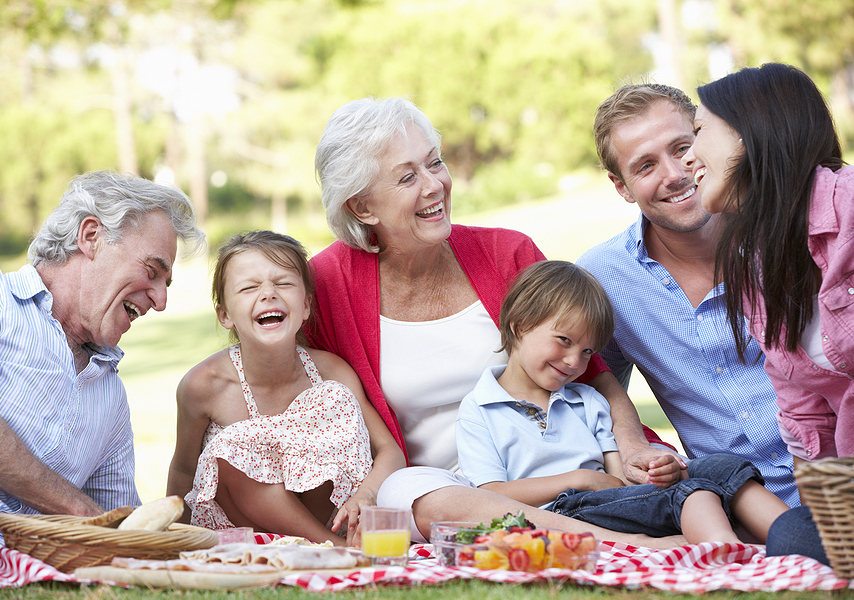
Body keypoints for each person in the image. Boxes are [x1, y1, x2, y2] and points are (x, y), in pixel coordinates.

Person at [304, 96, 682, 548]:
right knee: (418, 494)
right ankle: (625, 544)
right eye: (408, 177)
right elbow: (293, 388)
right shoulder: (326, 285)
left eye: (434, 163)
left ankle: (610, 531)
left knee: (694, 477)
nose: (435, 185)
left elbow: (594, 374)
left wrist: (632, 445)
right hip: (438, 487)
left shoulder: (507, 254)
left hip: (548, 469)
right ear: (362, 207)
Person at [576, 83, 799, 507]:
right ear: (621, 186)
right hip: (734, 504)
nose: (675, 173)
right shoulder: (604, 278)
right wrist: (636, 446)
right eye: (645, 166)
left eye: (681, 147)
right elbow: (592, 386)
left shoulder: (785, 230)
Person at [456, 260, 790, 543]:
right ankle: (734, 564)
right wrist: (579, 479)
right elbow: (490, 493)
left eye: (587, 351)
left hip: (611, 502)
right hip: (559, 514)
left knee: (720, 467)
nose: (574, 361)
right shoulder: (479, 409)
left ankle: (801, 541)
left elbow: (620, 479)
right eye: (564, 341)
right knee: (693, 493)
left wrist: (658, 473)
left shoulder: (587, 400)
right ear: (519, 325)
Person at [0, 170, 205, 541]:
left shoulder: (111, 399)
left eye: (165, 284)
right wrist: (79, 510)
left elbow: (117, 524)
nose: (161, 300)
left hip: (8, 550)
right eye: (152, 271)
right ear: (91, 237)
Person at [684, 62, 851, 563]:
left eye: (698, 132)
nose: (690, 155)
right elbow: (804, 410)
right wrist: (833, 512)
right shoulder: (757, 267)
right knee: (794, 536)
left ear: (750, 128)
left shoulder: (847, 204)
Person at [167, 231, 404, 546]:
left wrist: (367, 494)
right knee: (228, 452)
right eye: (249, 287)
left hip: (330, 519)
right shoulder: (204, 385)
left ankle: (331, 543)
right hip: (248, 533)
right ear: (224, 315)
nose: (268, 294)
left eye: (283, 283)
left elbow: (390, 451)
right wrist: (171, 542)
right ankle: (333, 550)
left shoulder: (331, 372)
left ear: (306, 305)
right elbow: (183, 470)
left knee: (333, 399)